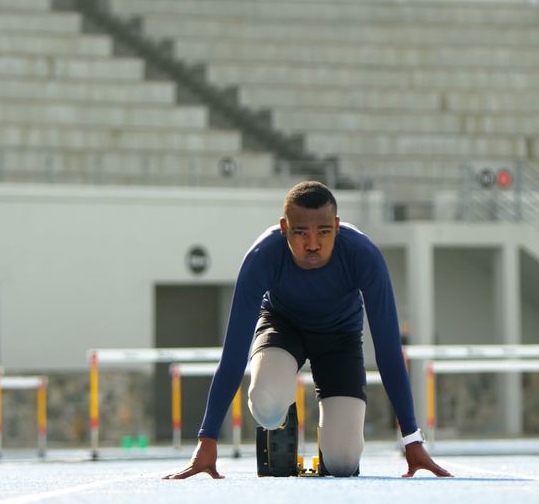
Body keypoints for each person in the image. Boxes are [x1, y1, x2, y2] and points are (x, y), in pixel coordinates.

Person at [163, 181, 451, 479]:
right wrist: (206, 439)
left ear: (337, 226)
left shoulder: (364, 255)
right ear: (284, 227)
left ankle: (332, 444)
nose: (312, 244)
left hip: (340, 339)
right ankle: (279, 417)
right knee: (266, 403)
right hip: (282, 327)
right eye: (301, 233)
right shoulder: (262, 256)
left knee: (343, 463)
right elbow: (233, 355)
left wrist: (412, 440)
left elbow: (390, 353)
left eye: (323, 232)